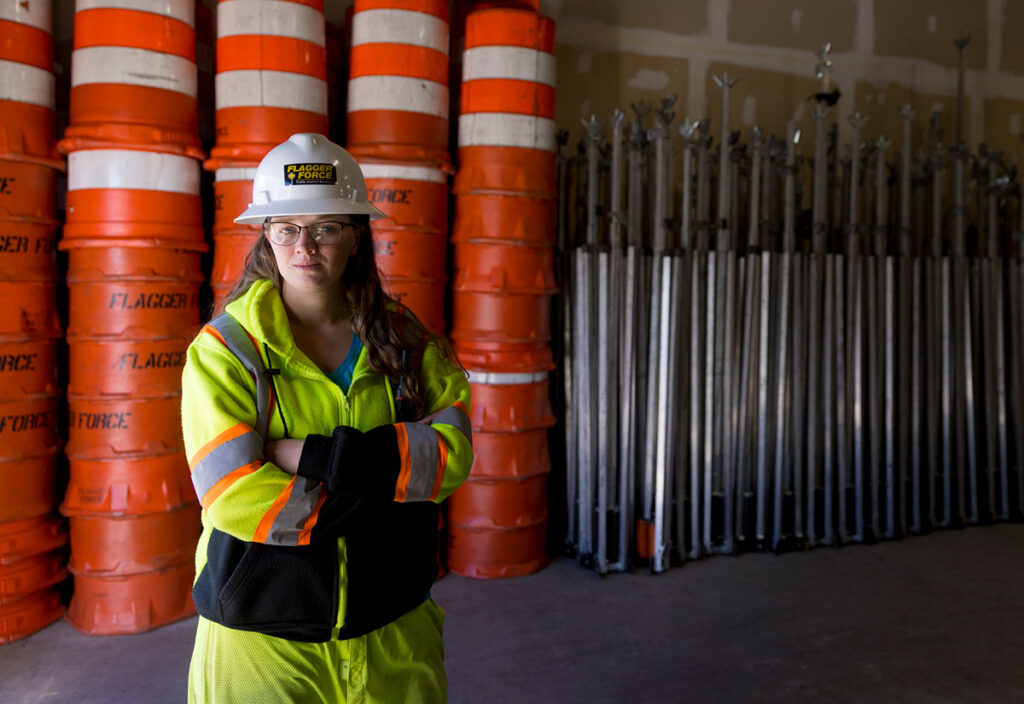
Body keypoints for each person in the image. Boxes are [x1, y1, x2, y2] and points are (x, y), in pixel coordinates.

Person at [182, 133, 472, 703]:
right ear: (266, 235)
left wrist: (305, 456)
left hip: (394, 631)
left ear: (356, 236)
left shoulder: (407, 342)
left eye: (326, 228)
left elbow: (453, 458)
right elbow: (233, 495)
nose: (304, 247)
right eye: (287, 228)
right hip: (263, 644)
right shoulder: (227, 351)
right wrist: (386, 496)